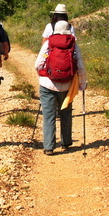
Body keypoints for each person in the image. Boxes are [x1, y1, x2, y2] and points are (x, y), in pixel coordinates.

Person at [35, 20, 87, 155]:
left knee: (48, 115)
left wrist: (42, 76)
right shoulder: (73, 44)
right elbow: (80, 67)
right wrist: (82, 84)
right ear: (68, 29)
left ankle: (48, 147)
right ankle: (66, 142)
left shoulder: (48, 42)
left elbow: (38, 63)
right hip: (67, 86)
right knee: (65, 112)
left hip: (47, 84)